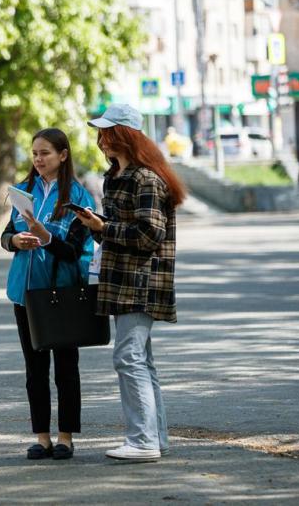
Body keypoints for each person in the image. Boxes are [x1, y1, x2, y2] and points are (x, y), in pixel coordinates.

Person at [77, 104, 186, 462]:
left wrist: (104, 228)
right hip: (122, 279)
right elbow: (122, 230)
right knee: (140, 360)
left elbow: (149, 234)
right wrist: (97, 225)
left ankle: (143, 441)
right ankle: (155, 438)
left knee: (128, 357)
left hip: (141, 282)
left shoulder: (145, 179)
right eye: (101, 132)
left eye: (109, 132)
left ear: (126, 135)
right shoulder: (116, 176)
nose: (102, 139)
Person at [0, 128, 95, 461]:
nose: (39, 160)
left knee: (66, 368)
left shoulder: (80, 197)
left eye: (46, 153)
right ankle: (41, 437)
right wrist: (15, 241)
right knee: (34, 369)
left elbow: (75, 249)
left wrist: (45, 238)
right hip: (25, 293)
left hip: (62, 291)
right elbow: (7, 234)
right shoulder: (23, 190)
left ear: (63, 155)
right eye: (35, 153)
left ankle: (66, 437)